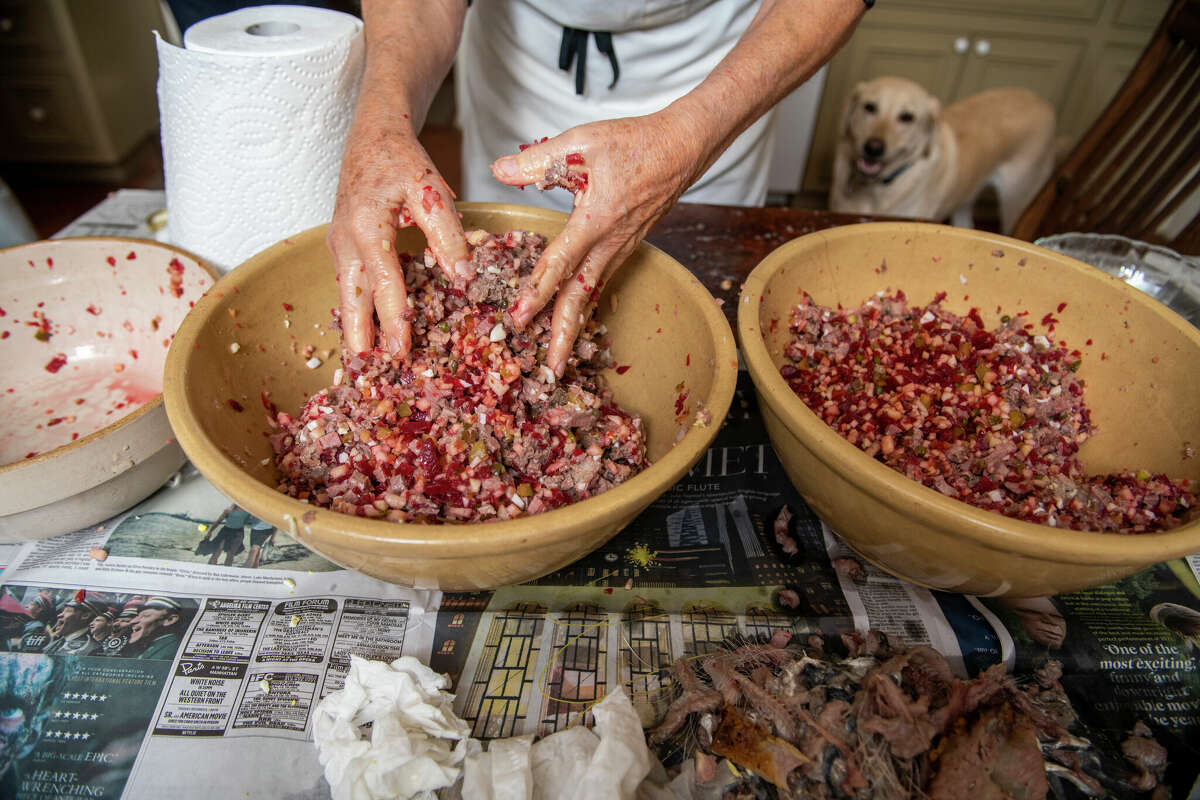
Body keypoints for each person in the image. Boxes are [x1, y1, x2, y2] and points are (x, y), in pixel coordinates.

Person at [329, 0, 866, 376]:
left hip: (713, 77)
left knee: (683, 303)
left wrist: (687, 141)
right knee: (492, 262)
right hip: (523, 55)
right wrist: (380, 117)